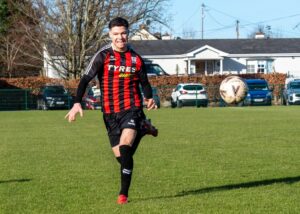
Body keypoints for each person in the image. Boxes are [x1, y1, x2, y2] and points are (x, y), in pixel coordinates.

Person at [65, 17, 158, 205]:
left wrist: (148, 98)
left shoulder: (136, 59)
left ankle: (123, 195)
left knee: (125, 147)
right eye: (116, 34)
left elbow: (145, 83)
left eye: (123, 33)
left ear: (127, 34)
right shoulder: (103, 56)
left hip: (132, 109)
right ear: (110, 35)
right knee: (123, 159)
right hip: (109, 114)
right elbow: (84, 80)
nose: (120, 37)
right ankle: (144, 128)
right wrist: (77, 103)